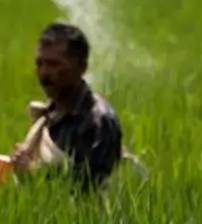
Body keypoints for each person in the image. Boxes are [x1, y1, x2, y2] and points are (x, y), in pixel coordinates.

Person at [9, 22, 125, 192]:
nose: (44, 73)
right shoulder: (48, 115)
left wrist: (34, 171)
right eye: (40, 64)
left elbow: (91, 184)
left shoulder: (98, 120)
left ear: (82, 67)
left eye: (54, 64)